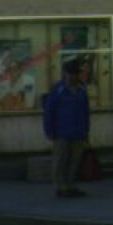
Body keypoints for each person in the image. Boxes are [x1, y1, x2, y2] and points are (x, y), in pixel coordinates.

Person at [44, 57, 91, 198]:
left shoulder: (82, 89)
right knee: (61, 161)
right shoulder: (58, 90)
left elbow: (86, 112)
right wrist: (49, 131)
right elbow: (49, 111)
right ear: (65, 73)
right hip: (61, 132)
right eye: (71, 73)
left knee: (74, 161)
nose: (73, 76)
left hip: (78, 132)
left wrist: (86, 131)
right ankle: (61, 187)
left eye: (76, 73)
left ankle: (71, 185)